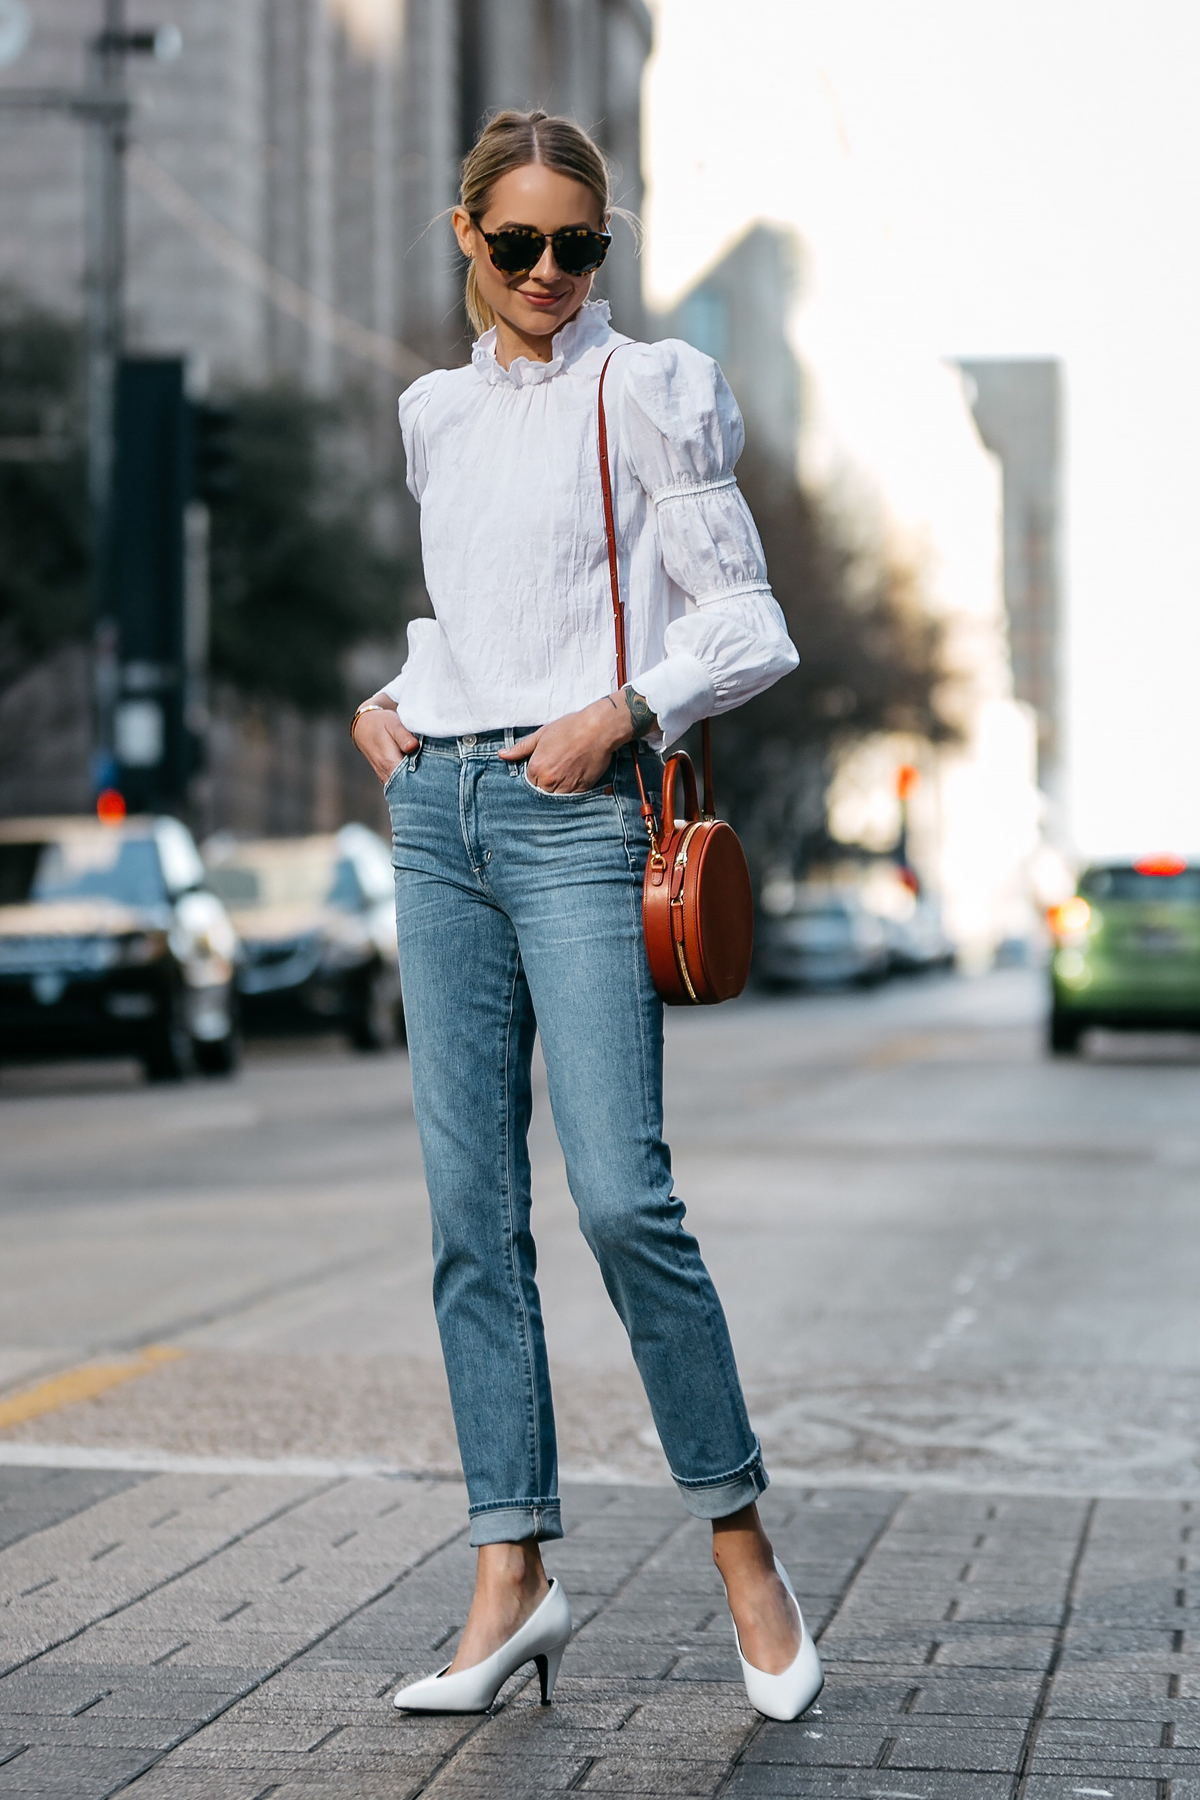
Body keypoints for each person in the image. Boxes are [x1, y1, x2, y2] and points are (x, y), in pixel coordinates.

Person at [351, 109, 820, 1723]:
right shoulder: (432, 414)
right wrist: (395, 698)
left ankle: (742, 1545)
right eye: (520, 246)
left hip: (574, 818)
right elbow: (470, 618)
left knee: (624, 1204)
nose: (551, 273)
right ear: (465, 238)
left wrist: (626, 712)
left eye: (580, 246)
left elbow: (748, 625)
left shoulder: (653, 391)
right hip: (438, 813)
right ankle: (513, 1570)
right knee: (471, 1224)